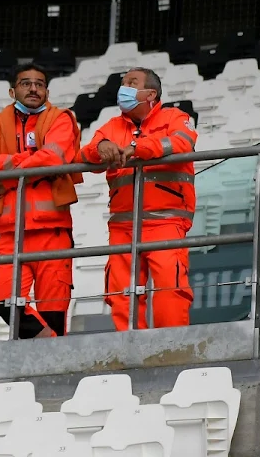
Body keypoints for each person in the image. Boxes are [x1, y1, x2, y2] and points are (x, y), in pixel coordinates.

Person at [82, 67, 197, 330]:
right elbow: (86, 155)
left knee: (171, 289)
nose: (123, 88)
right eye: (123, 83)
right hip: (122, 226)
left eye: (131, 83)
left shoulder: (176, 117)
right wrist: (100, 148)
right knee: (121, 294)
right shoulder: (111, 127)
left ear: (151, 94)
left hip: (165, 222)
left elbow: (182, 143)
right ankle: (130, 351)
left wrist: (137, 148)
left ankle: (172, 349)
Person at [0, 63, 82, 338]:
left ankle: (53, 361)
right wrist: (30, 158)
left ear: (46, 90)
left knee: (53, 313)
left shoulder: (61, 118)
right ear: (13, 91)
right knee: (6, 303)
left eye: (40, 83)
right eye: (26, 83)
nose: (34, 88)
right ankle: (53, 349)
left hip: (53, 232)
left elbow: (53, 159)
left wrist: (7, 176)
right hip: (10, 235)